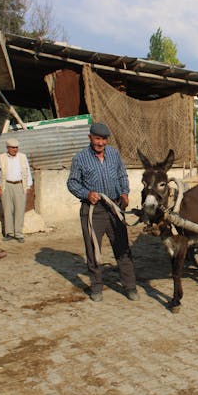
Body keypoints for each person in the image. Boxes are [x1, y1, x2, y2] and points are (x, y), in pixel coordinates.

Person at [67, 122, 139, 302]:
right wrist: (86, 194)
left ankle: (130, 287)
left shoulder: (114, 154)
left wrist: (125, 192)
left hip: (115, 207)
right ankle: (97, 287)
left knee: (122, 247)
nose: (100, 143)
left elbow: (122, 175)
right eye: (97, 138)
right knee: (93, 249)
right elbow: (72, 182)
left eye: (104, 139)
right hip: (93, 210)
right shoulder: (80, 158)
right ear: (90, 137)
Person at [0, 138, 33, 243]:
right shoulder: (2, 157)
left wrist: (28, 185)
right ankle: (9, 233)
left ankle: (19, 234)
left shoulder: (22, 157)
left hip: (20, 185)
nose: (15, 150)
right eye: (13, 148)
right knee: (7, 209)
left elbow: (28, 171)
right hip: (6, 185)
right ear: (8, 148)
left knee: (20, 210)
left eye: (16, 147)